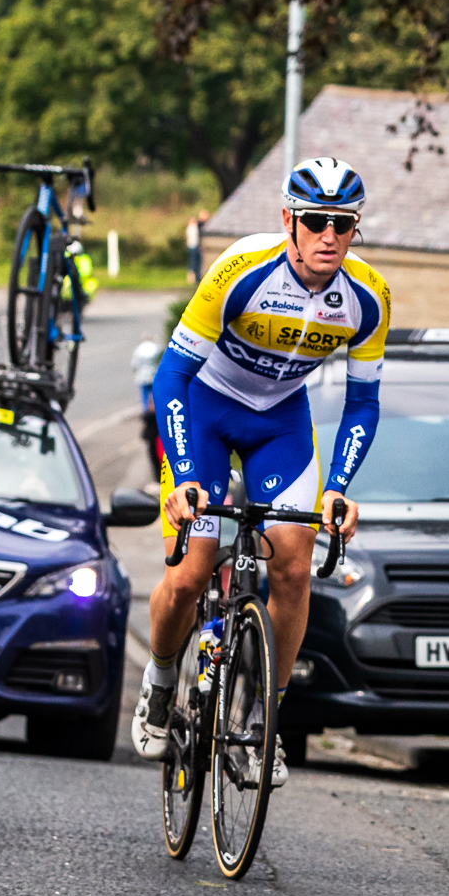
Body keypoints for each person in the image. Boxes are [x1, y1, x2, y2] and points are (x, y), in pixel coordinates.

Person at [135, 158, 391, 782]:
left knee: (296, 565)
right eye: (316, 222)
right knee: (193, 570)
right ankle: (162, 678)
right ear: (289, 221)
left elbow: (362, 403)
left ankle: (263, 720)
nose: (330, 236)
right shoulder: (241, 271)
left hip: (279, 421)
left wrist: (337, 490)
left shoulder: (366, 297)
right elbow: (171, 374)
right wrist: (186, 474)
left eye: (344, 224)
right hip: (205, 407)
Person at [131, 336, 164, 472]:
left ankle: (147, 409)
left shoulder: (138, 350)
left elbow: (134, 364)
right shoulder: (157, 348)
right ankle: (151, 406)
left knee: (145, 397)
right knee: (154, 394)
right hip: (154, 375)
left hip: (142, 377)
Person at [185, 210, 212, 283]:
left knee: (195, 262)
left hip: (194, 245)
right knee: (194, 262)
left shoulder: (195, 226)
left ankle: (196, 277)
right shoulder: (194, 226)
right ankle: (194, 277)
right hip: (194, 246)